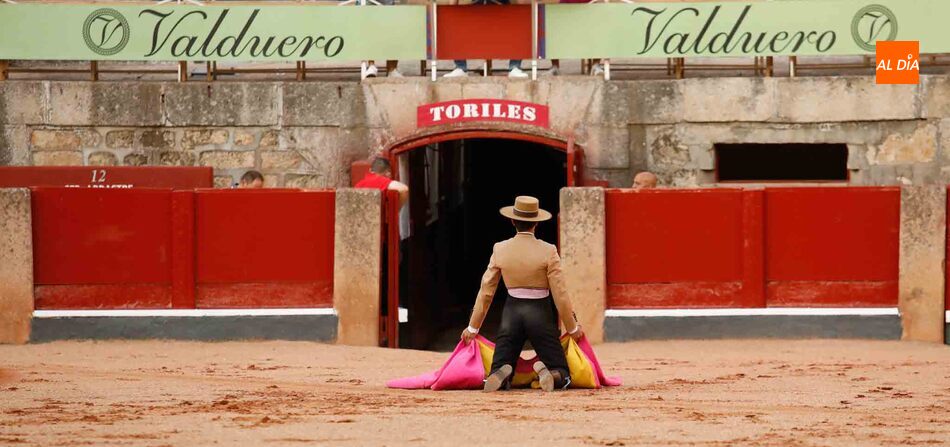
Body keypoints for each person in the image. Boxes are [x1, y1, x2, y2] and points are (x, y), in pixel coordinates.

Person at [461, 196, 584, 392]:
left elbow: (486, 291)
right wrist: (572, 327)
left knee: (500, 363)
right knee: (561, 368)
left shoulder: (500, 249)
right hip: (540, 314)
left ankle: (500, 374)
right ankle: (552, 374)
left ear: (512, 221)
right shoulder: (548, 250)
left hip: (512, 313)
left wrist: (473, 327)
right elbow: (560, 294)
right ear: (536, 223)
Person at [442, 0, 528, 79]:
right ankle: (460, 67)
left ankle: (514, 67)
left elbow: (522, 3)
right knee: (456, 21)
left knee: (519, 20)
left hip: (500, 5)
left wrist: (521, 9)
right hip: (476, 5)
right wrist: (451, 10)